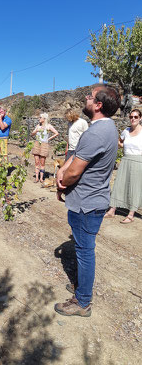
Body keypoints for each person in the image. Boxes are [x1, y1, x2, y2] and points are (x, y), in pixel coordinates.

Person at [55, 84, 120, 317]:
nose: (86, 98)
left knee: (84, 251)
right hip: (94, 198)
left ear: (98, 104)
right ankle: (82, 288)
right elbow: (74, 156)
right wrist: (63, 170)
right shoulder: (108, 128)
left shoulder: (95, 133)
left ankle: (82, 302)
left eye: (89, 96)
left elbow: (74, 172)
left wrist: (61, 182)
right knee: (84, 249)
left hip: (86, 202)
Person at [104, 108, 142, 223]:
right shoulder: (126, 131)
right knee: (119, 185)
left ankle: (131, 214)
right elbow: (120, 142)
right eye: (131, 117)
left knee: (135, 187)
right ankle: (112, 210)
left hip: (138, 161)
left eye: (135, 117)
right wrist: (122, 145)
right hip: (125, 160)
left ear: (140, 118)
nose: (133, 119)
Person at [31, 113, 59, 182]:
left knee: (42, 162)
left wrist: (48, 139)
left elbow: (56, 133)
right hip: (37, 143)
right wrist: (36, 131)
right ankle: (37, 177)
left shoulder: (48, 126)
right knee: (36, 161)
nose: (39, 118)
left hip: (44, 145)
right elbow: (32, 134)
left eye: (40, 117)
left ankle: (41, 178)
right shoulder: (38, 126)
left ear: (44, 119)